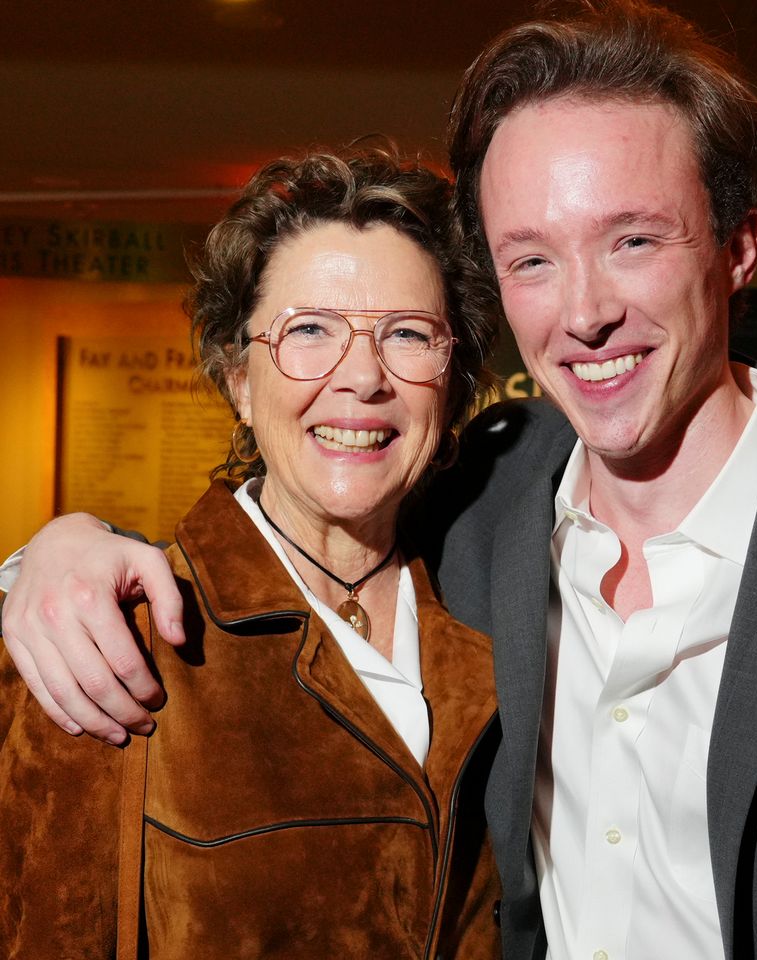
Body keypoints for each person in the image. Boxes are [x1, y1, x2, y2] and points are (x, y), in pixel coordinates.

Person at [3, 2, 757, 958]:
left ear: (739, 245)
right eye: (532, 259)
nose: (584, 313)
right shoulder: (494, 508)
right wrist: (56, 551)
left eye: (633, 239)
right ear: (234, 375)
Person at [0, 146, 504, 958]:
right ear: (238, 376)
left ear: (452, 384)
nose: (362, 378)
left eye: (408, 335)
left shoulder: (494, 600)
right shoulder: (111, 643)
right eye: (309, 330)